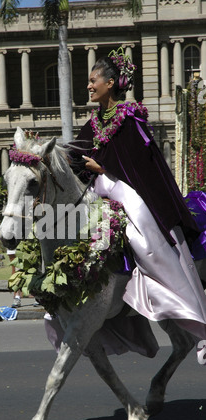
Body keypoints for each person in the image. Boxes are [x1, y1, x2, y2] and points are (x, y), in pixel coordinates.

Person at [68, 47, 206, 346]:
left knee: (142, 238)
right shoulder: (94, 123)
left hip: (127, 193)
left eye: (94, 80)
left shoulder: (130, 119)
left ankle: (167, 288)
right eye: (89, 81)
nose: (89, 86)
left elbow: (142, 166)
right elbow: (74, 157)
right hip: (99, 195)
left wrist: (102, 167)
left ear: (111, 83)